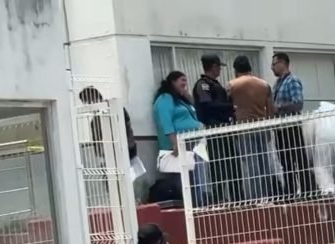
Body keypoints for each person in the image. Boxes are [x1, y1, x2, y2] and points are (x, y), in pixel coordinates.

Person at [151, 71, 209, 206]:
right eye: (182, 80)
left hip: (193, 142)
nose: (185, 83)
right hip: (180, 143)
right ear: (173, 82)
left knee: (197, 174)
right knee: (184, 175)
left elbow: (193, 108)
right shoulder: (165, 99)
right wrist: (174, 142)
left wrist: (185, 94)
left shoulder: (180, 100)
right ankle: (191, 203)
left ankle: (199, 201)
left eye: (186, 80)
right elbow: (166, 121)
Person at [193, 54, 242, 203]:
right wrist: (230, 107)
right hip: (215, 130)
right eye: (219, 67)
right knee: (219, 166)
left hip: (225, 129)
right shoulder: (204, 85)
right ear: (214, 66)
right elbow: (207, 105)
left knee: (233, 166)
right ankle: (219, 199)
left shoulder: (215, 84)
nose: (220, 70)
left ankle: (237, 199)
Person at [228, 55, 276, 201]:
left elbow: (228, 108)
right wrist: (268, 125)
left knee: (251, 164)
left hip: (243, 128)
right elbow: (271, 109)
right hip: (262, 126)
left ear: (235, 70)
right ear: (250, 68)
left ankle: (256, 197)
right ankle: (267, 196)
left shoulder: (232, 85)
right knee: (264, 162)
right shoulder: (264, 85)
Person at [271, 52, 315, 200]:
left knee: (299, 161)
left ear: (283, 63)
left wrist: (279, 107)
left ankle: (307, 193)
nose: (272, 68)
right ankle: (290, 194)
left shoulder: (292, 81)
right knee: (286, 163)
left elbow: (298, 103)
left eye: (274, 64)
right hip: (280, 129)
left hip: (291, 128)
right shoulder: (277, 84)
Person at [78, 86, 138, 161]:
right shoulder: (96, 121)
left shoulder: (116, 108)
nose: (88, 107)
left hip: (125, 151)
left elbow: (127, 128)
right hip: (122, 151)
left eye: (87, 103)